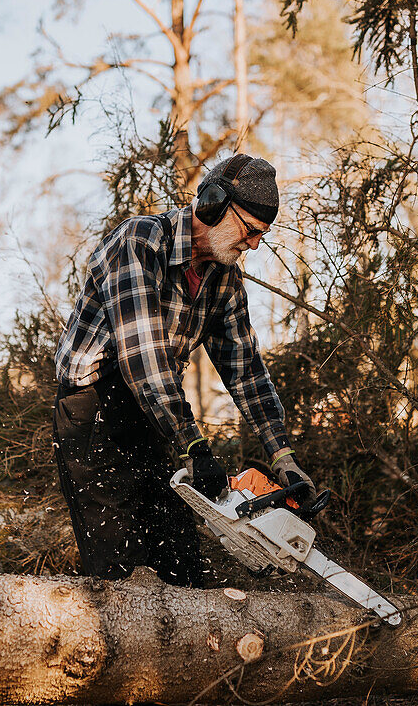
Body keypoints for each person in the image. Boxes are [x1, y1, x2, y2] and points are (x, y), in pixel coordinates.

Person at [52, 153, 316, 587]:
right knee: (120, 568)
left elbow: (247, 372)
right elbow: (144, 357)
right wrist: (194, 445)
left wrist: (282, 456)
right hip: (94, 410)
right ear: (212, 203)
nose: (252, 245)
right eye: (250, 231)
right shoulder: (140, 243)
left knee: (180, 562)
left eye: (261, 237)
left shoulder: (224, 279)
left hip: (155, 416)